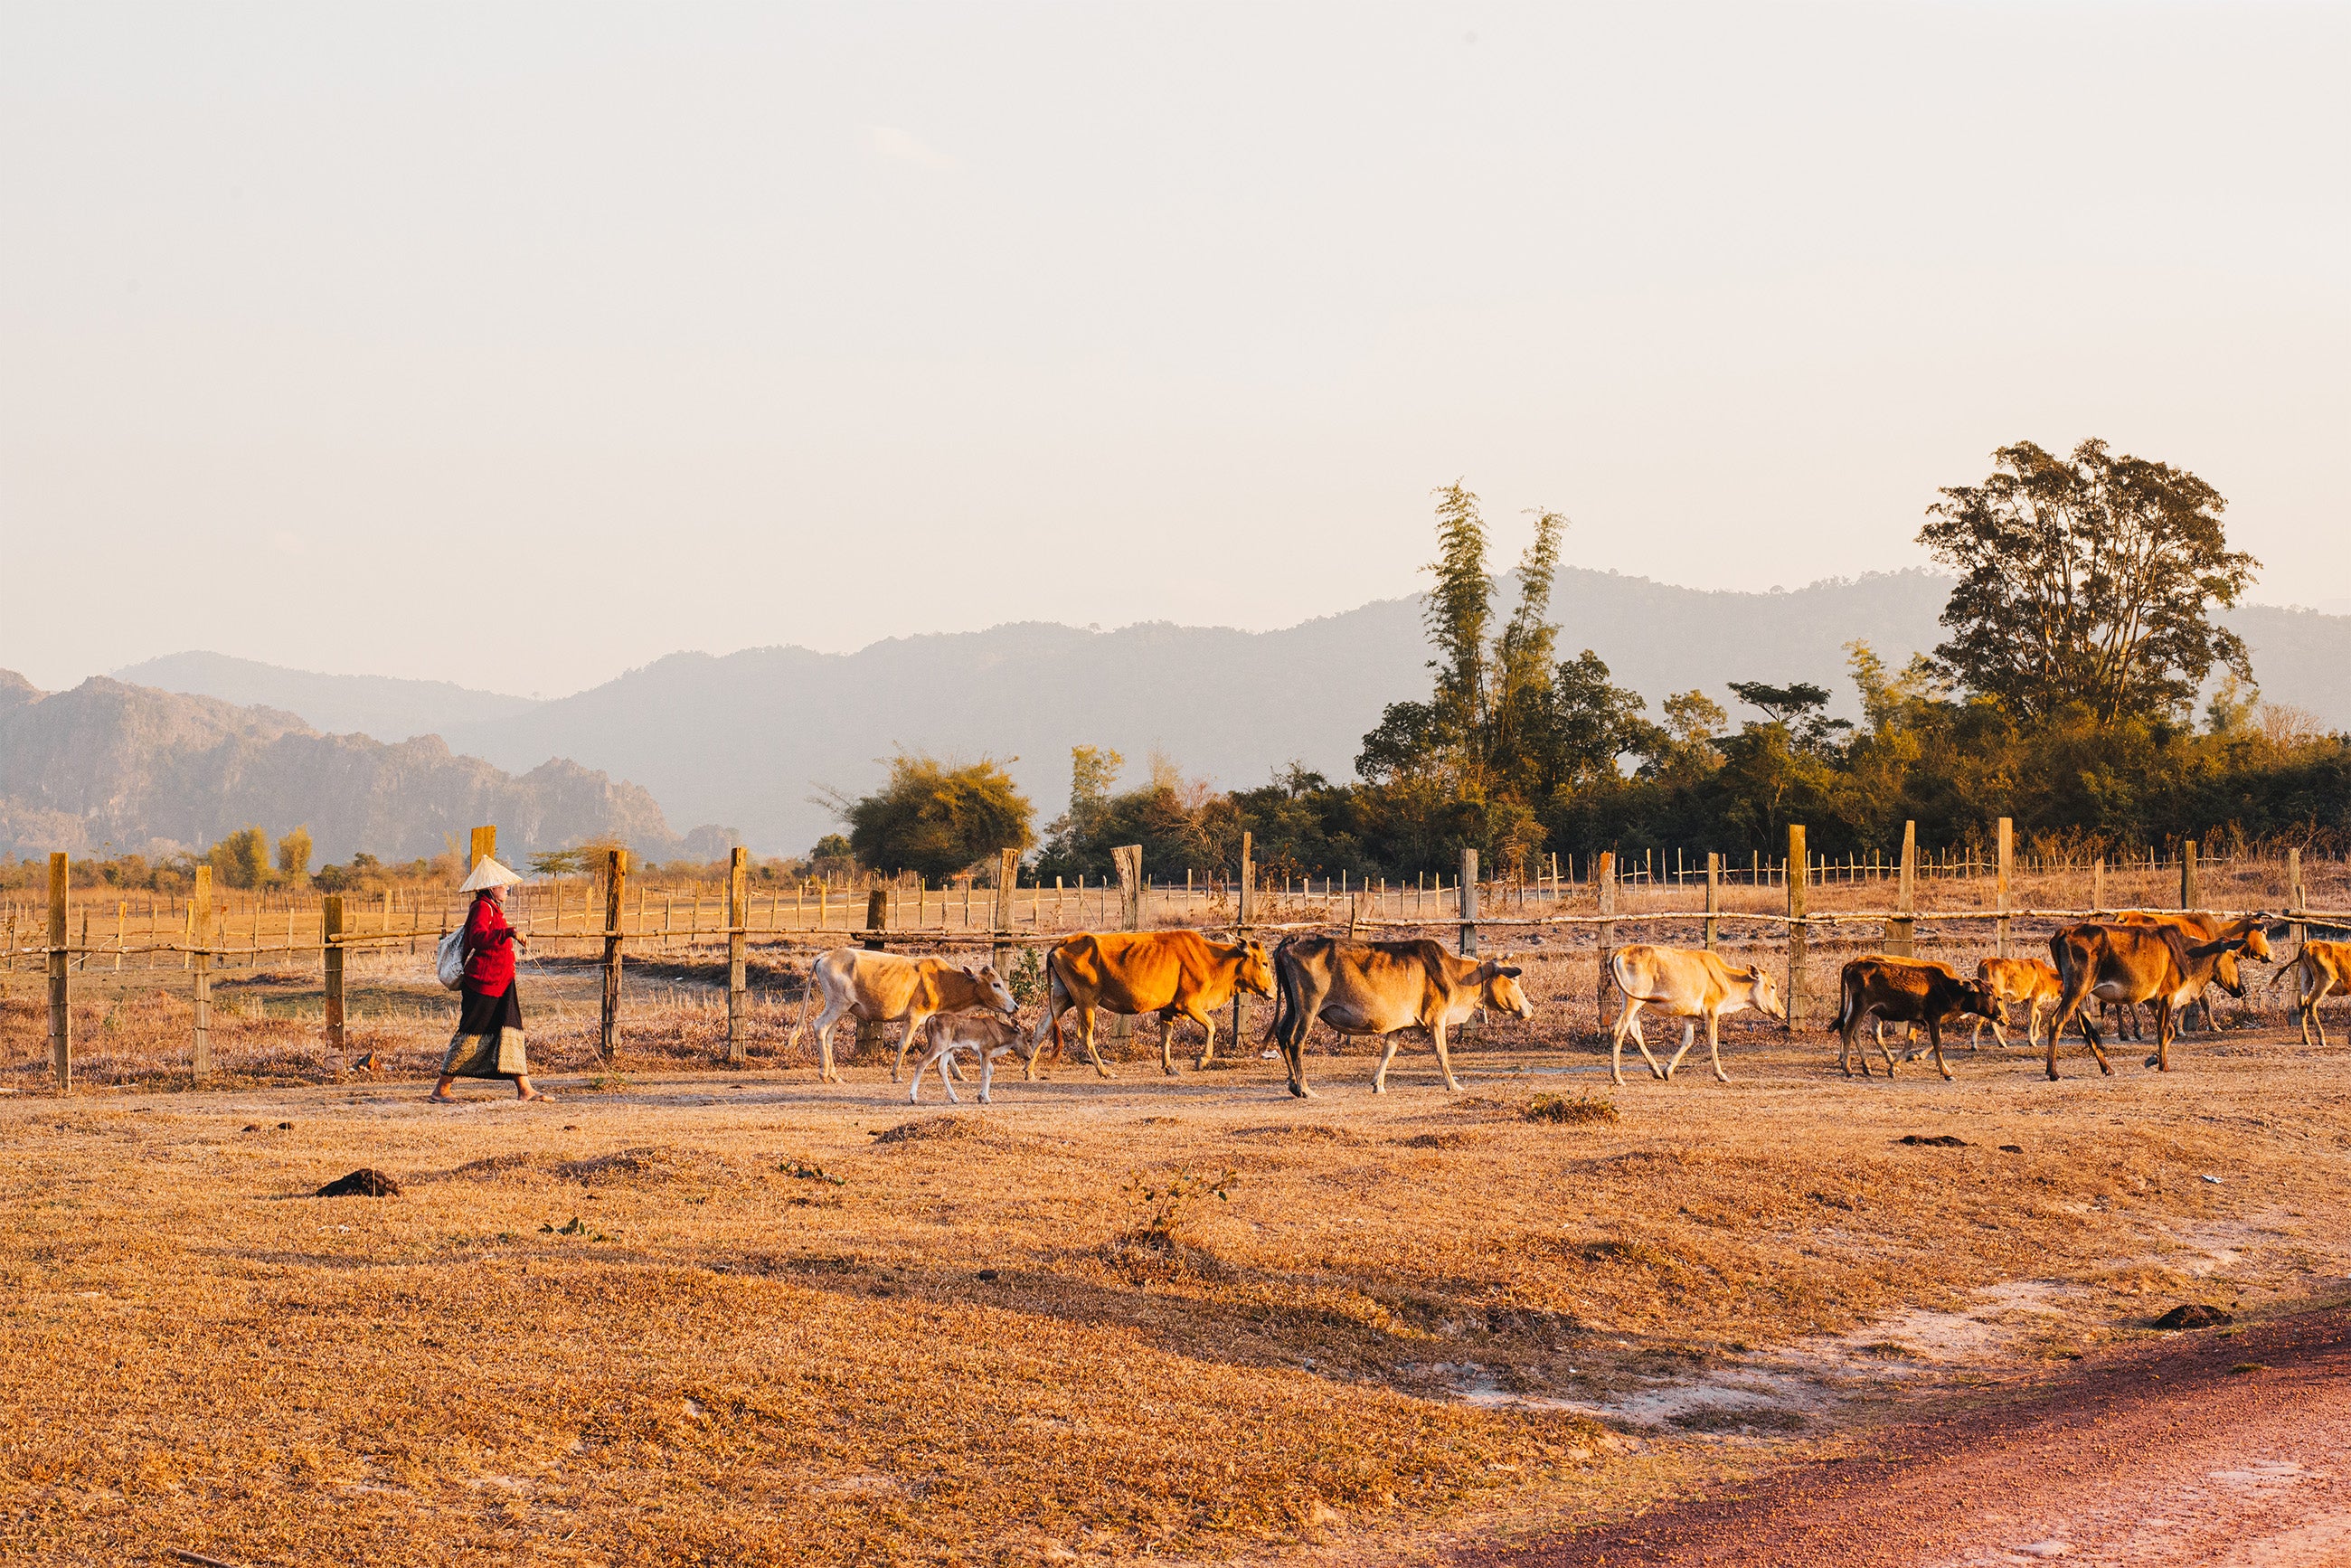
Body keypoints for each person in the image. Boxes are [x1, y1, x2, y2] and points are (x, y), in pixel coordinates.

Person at [430, 856, 548, 1102]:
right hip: (483, 984)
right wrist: (510, 932)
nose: (507, 889)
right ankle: (441, 1089)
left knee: (510, 1030)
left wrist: (509, 934)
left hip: (501, 982)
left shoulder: (493, 908)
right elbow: (479, 938)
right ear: (491, 887)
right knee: (470, 1032)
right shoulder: (482, 908)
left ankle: (524, 1089)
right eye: (503, 885)